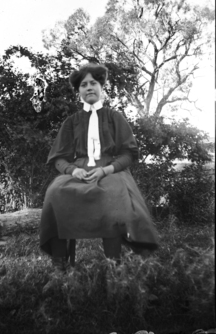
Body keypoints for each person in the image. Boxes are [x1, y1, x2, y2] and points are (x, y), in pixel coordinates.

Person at [40, 63, 158, 272]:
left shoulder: (115, 117)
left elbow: (128, 153)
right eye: (83, 85)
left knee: (112, 193)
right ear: (79, 92)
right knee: (55, 192)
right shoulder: (72, 121)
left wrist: (105, 170)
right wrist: (73, 171)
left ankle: (114, 264)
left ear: (102, 87)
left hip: (112, 170)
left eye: (93, 83)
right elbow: (59, 158)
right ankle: (60, 264)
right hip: (79, 170)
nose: (89, 87)